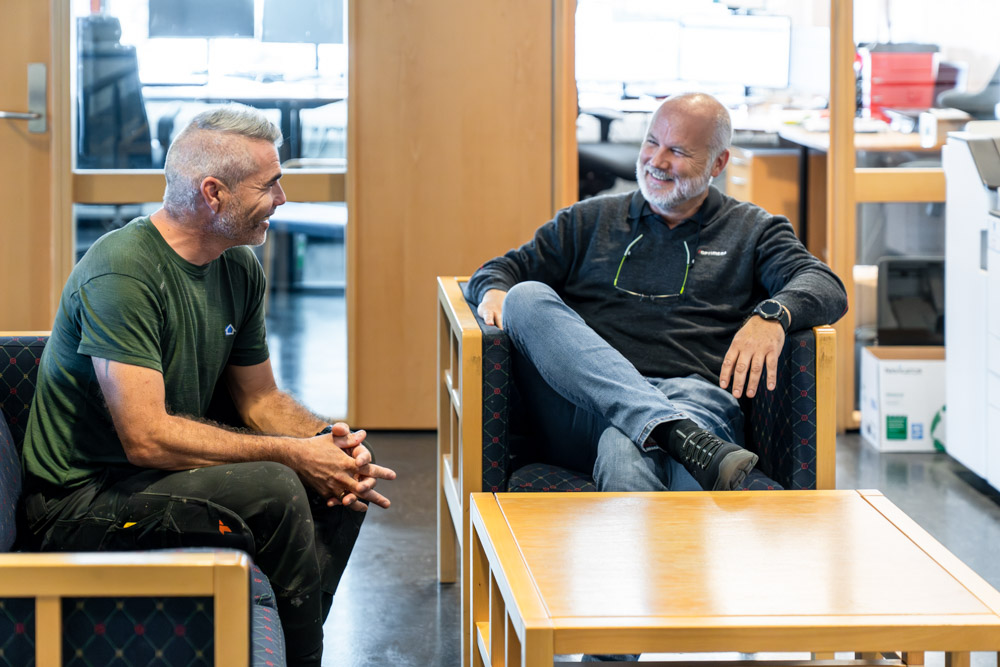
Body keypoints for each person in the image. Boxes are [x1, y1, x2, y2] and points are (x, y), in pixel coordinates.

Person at [19, 104, 395, 667]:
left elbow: (261, 400)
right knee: (277, 486)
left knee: (343, 477)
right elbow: (146, 438)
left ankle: (287, 647)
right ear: (214, 193)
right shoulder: (122, 271)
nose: (283, 198)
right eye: (269, 185)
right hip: (81, 503)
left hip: (154, 479)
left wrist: (327, 442)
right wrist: (294, 456)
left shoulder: (237, 266)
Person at [469, 92, 847, 493]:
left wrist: (773, 314)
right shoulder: (587, 220)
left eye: (678, 151)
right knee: (525, 297)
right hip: (588, 405)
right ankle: (674, 434)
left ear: (718, 163)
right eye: (652, 142)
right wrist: (494, 291)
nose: (657, 161)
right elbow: (499, 270)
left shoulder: (753, 230)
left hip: (694, 400)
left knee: (624, 446)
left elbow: (825, 284)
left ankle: (667, 435)